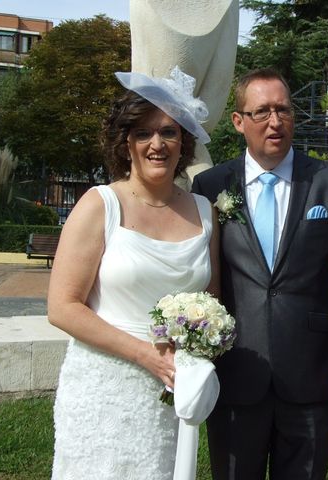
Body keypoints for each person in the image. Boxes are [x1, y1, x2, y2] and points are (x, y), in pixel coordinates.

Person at [191, 68, 328, 480]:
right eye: (261, 112)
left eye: (283, 110)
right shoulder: (209, 187)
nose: (275, 122)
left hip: (312, 375)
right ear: (239, 121)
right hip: (235, 373)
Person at [48, 67, 219, 479]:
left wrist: (200, 347)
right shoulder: (100, 205)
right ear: (127, 144)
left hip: (172, 395)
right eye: (143, 133)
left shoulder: (204, 212)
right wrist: (147, 355)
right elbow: (62, 307)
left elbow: (214, 301)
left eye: (168, 132)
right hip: (104, 390)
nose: (156, 144)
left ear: (185, 142)